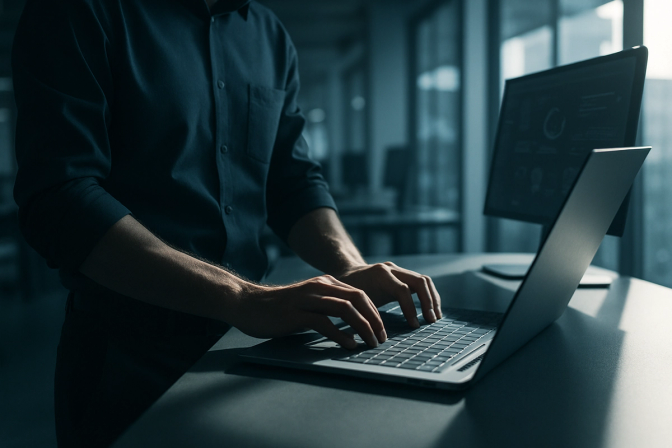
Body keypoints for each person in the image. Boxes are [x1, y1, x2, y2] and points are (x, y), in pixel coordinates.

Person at [12, 0, 442, 446]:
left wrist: (348, 267)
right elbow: (61, 197)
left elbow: (291, 181)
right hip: (129, 355)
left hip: (253, 341)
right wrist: (243, 297)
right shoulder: (78, 11)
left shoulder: (269, 34)